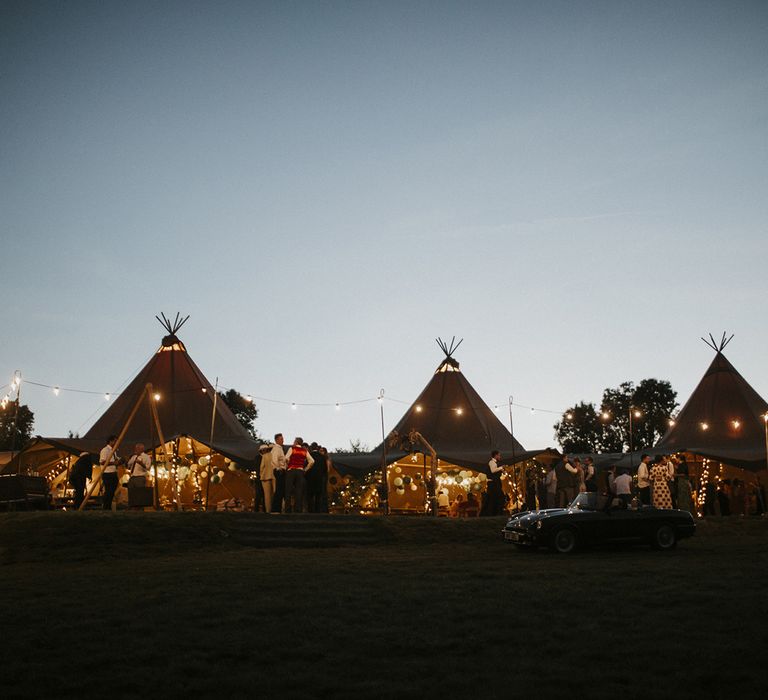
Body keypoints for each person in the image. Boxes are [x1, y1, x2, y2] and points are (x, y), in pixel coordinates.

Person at [284, 437, 314, 513]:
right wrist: (305, 469)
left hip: (291, 470)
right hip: (300, 471)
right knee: (299, 491)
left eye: (294, 441)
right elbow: (312, 461)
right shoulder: (305, 451)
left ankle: (288, 509)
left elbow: (286, 458)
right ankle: (298, 510)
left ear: (296, 442)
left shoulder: (292, 449)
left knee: (288, 490)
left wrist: (288, 465)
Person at [481, 450, 505, 516]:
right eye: (499, 455)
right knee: (493, 498)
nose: (500, 457)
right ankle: (492, 513)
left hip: (495, 483)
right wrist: (501, 468)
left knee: (494, 498)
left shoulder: (496, 463)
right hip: (493, 484)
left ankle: (496, 512)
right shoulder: (492, 462)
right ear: (496, 455)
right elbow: (493, 470)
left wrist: (502, 470)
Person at [99, 435, 119, 511]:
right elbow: (102, 462)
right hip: (107, 473)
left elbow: (115, 460)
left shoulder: (113, 451)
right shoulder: (105, 450)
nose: (116, 443)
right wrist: (114, 463)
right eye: (115, 441)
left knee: (111, 491)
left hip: (113, 473)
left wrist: (120, 461)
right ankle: (106, 507)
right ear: (110, 441)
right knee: (109, 491)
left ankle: (108, 506)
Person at [270, 433, 287, 513]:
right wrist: (278, 468)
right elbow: (274, 459)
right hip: (279, 470)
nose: (283, 440)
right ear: (276, 440)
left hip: (281, 470)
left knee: (280, 490)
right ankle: (275, 509)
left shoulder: (280, 448)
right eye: (281, 439)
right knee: (279, 490)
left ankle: (278, 508)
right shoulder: (276, 449)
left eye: (282, 439)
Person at [258, 443, 276, 513]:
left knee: (267, 495)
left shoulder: (265, 456)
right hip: (275, 476)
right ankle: (278, 509)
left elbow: (262, 467)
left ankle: (268, 510)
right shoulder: (275, 455)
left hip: (265, 477)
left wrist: (262, 474)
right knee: (276, 493)